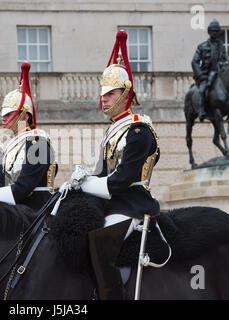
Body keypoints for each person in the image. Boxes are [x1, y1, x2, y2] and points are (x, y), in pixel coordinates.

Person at [73, 30, 161, 299]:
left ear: (125, 94)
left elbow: (122, 180)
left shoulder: (137, 130)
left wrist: (86, 183)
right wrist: (78, 182)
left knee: (98, 243)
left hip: (134, 203)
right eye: (103, 94)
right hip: (114, 203)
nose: (104, 100)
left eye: (110, 94)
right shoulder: (112, 131)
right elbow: (102, 173)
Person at [0, 62, 57, 211]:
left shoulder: (37, 142)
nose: (4, 118)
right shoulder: (10, 146)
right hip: (13, 211)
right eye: (3, 114)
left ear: (25, 117)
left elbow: (24, 187)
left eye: (9, 114)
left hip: (34, 212)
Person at [191, 19, 228, 122]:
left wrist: (224, 65)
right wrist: (200, 74)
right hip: (206, 75)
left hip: (219, 76)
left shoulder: (222, 47)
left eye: (216, 31)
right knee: (202, 90)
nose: (214, 33)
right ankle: (201, 111)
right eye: (212, 31)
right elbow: (194, 62)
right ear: (209, 32)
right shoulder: (202, 46)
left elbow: (227, 61)